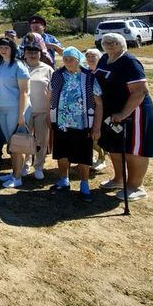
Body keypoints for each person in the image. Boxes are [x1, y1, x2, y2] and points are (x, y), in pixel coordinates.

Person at [95, 33, 153, 201]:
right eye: (106, 42)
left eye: (114, 42)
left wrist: (124, 113)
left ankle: (136, 186)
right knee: (114, 147)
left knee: (134, 149)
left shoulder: (129, 62)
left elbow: (141, 91)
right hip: (112, 112)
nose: (109, 45)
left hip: (133, 113)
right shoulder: (104, 59)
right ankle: (119, 179)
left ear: (122, 44)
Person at [48, 47, 103, 203]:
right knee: (62, 153)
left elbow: (98, 103)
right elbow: (51, 97)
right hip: (61, 123)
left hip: (83, 124)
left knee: (83, 155)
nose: (67, 61)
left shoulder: (89, 77)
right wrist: (49, 117)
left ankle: (84, 185)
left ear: (79, 59)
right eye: (65, 58)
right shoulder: (58, 75)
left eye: (71, 58)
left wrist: (97, 127)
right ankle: (63, 180)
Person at [0, 37, 31, 188]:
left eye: (6, 47)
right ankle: (14, 172)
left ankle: (17, 177)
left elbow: (25, 92)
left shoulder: (19, 65)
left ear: (13, 49)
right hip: (3, 109)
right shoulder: (0, 65)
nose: (3, 49)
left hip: (16, 109)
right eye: (1, 47)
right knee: (10, 143)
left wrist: (21, 115)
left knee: (17, 145)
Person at [23, 42, 53, 180]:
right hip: (25, 111)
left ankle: (39, 165)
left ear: (40, 54)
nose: (33, 55)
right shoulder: (20, 67)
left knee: (41, 140)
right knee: (25, 139)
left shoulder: (47, 69)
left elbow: (52, 91)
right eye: (29, 52)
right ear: (25, 53)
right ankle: (25, 164)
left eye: (36, 52)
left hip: (42, 111)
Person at [84, 47, 108, 171]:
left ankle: (102, 158)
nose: (90, 58)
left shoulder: (102, 72)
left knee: (97, 135)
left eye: (93, 56)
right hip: (87, 109)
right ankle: (90, 157)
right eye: (88, 56)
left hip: (101, 108)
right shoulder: (85, 72)